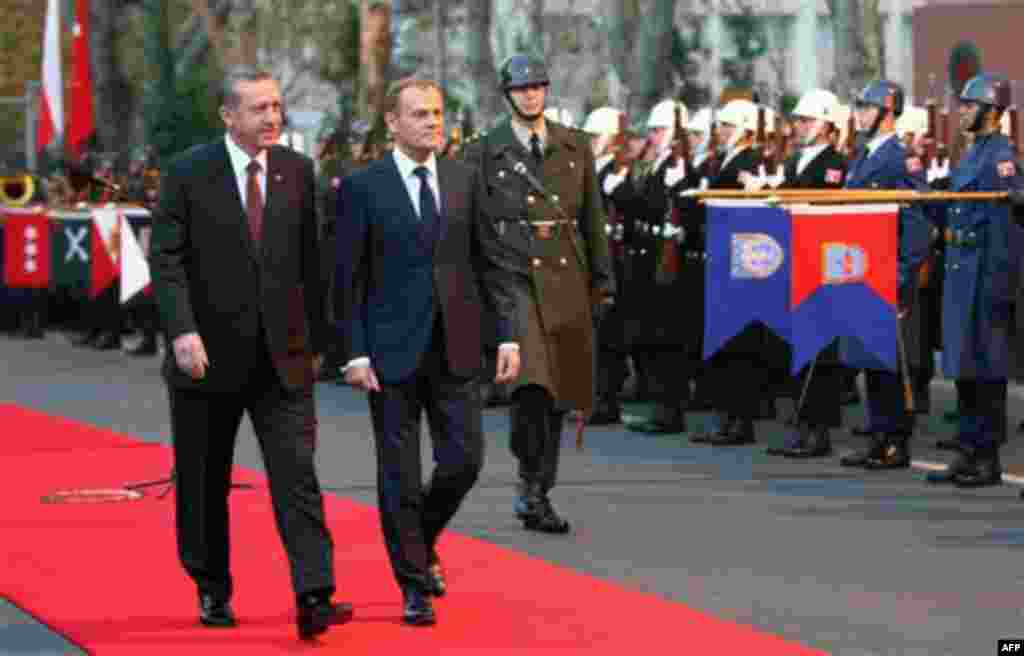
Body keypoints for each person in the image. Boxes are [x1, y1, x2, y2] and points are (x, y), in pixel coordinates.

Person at [149, 68, 349, 640]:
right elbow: (166, 259)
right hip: (205, 360)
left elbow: (315, 262)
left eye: (277, 107)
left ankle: (315, 592)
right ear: (228, 116)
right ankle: (212, 587)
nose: (272, 118)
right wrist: (182, 331)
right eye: (259, 108)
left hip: (283, 361)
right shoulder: (189, 173)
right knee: (204, 480)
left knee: (297, 477)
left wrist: (319, 343)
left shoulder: (297, 171)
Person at [336, 77, 522, 626]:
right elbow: (345, 280)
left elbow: (492, 262)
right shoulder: (363, 187)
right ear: (392, 123)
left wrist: (507, 333)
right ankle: (413, 584)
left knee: (465, 460)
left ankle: (420, 537)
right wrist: (353, 351)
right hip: (389, 354)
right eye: (420, 114)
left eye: (438, 113)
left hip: (457, 347)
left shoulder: (466, 181)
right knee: (397, 471)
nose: (433, 122)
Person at [462, 54, 615, 534]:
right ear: (507, 95)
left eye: (537, 87)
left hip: (566, 281)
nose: (530, 94)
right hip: (513, 279)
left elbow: (592, 216)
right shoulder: (485, 151)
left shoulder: (574, 146)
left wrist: (603, 280)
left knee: (558, 393)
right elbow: (472, 224)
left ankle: (540, 486)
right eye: (521, 88)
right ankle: (530, 483)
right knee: (531, 385)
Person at [925, 73, 1022, 488]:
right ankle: (967, 449)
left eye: (969, 105)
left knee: (987, 367)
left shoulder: (1001, 156)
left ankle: (987, 456)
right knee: (965, 366)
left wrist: (1000, 285)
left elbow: (1007, 224)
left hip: (986, 272)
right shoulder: (973, 153)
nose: (962, 111)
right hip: (963, 268)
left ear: (991, 111)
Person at [838, 80, 932, 470]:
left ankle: (895, 441)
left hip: (889, 270)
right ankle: (878, 436)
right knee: (872, 358)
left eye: (866, 107)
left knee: (892, 361)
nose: (859, 114)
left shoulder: (899, 158)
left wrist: (904, 271)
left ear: (888, 113)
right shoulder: (863, 156)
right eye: (858, 106)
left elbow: (916, 222)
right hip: (863, 268)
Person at [763, 89, 848, 459]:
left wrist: (785, 197)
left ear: (829, 125)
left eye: (809, 120)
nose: (801, 126)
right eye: (799, 120)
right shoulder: (799, 160)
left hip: (822, 261)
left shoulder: (834, 163)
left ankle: (819, 429)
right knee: (799, 343)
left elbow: (820, 204)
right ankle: (802, 423)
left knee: (821, 351)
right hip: (797, 259)